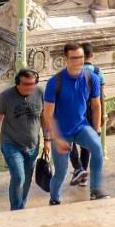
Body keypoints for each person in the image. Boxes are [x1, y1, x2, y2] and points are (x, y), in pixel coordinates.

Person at [43, 42, 107, 204]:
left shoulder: (91, 78)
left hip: (81, 127)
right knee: (61, 171)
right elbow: (48, 115)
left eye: (81, 57)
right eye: (74, 58)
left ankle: (96, 190)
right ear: (65, 58)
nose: (78, 61)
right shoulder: (54, 82)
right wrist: (56, 139)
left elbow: (96, 105)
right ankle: (54, 198)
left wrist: (96, 129)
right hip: (61, 132)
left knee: (97, 148)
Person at [0, 69, 49, 211]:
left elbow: (44, 118)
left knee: (26, 180)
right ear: (17, 83)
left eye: (32, 84)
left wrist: (47, 140)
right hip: (11, 144)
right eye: (25, 84)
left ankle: (21, 206)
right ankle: (16, 208)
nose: (29, 87)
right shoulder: (6, 97)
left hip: (32, 145)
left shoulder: (40, 93)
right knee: (18, 177)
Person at [69, 43, 104, 186]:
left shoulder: (73, 71)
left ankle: (78, 168)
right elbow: (102, 96)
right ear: (92, 55)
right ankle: (83, 173)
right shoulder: (97, 71)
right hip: (92, 110)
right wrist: (103, 115)